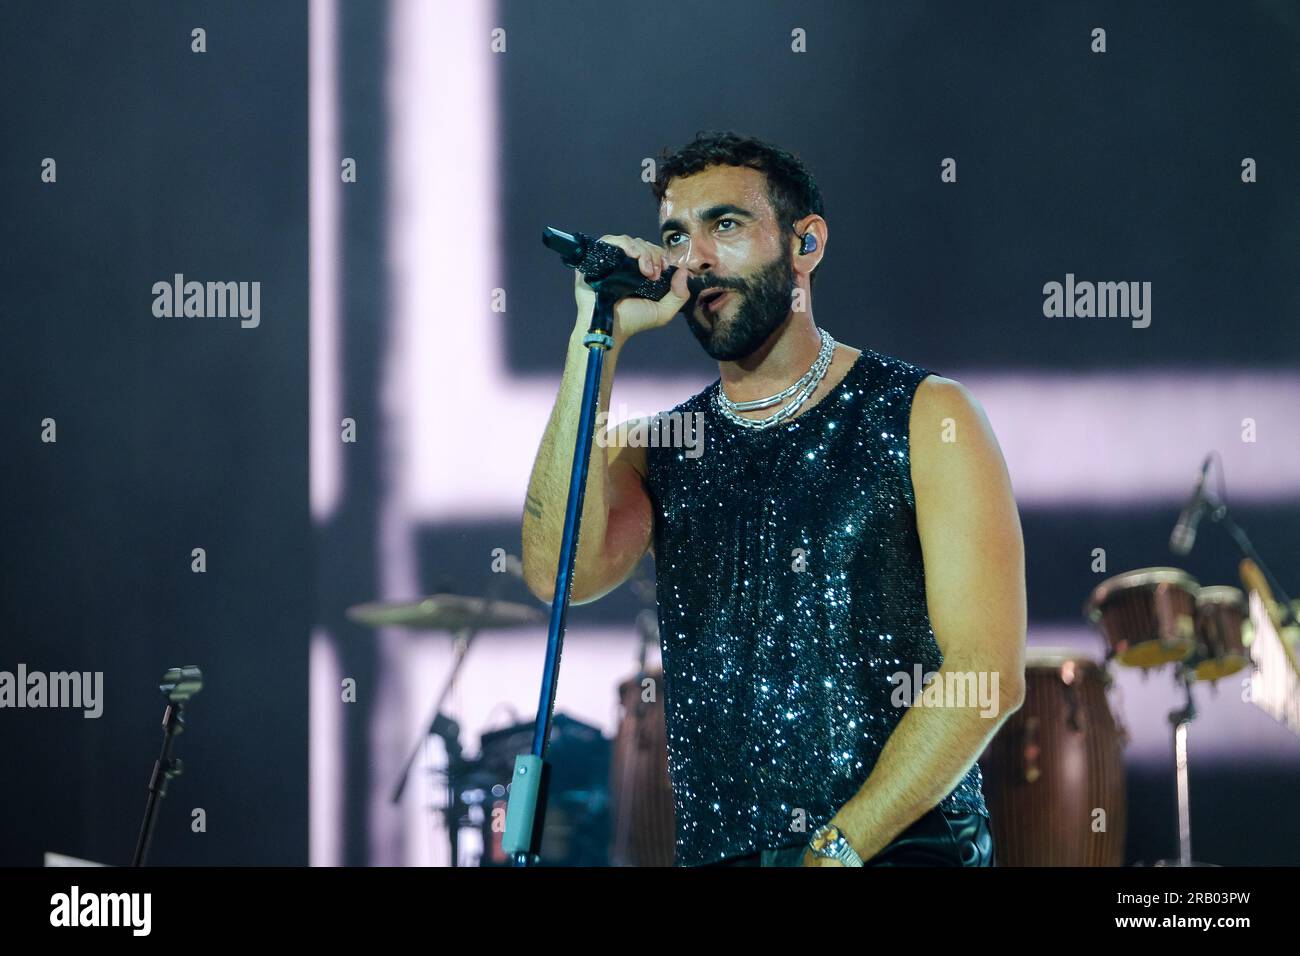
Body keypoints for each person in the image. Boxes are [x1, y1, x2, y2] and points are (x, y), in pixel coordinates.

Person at [521, 130, 1026, 867]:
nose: (694, 257)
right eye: (675, 235)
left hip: (897, 850)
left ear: (806, 243)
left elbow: (988, 672)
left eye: (724, 225)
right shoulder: (660, 446)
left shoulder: (924, 414)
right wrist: (596, 335)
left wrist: (835, 851)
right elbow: (555, 573)